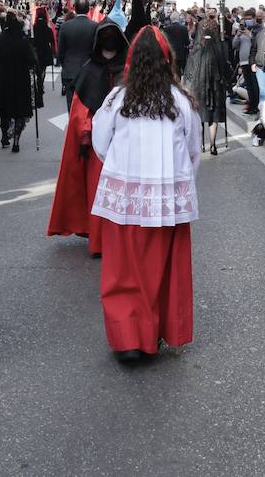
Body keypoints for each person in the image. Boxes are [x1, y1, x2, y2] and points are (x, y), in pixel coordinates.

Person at [91, 28, 200, 363]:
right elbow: (194, 151)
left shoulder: (116, 99)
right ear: (168, 60)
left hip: (124, 199)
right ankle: (152, 333)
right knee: (158, 270)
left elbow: (99, 144)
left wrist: (123, 168)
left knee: (122, 270)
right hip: (166, 202)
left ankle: (128, 339)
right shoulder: (182, 101)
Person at [47, 23, 127, 253]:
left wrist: (84, 134)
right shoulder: (130, 71)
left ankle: (99, 241)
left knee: (97, 191)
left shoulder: (89, 69)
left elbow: (80, 113)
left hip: (95, 144)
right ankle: (119, 240)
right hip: (123, 143)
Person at [0, 11, 36, 152]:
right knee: (20, 111)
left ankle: (4, 136)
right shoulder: (23, 41)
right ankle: (16, 140)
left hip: (3, 80)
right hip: (20, 80)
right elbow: (31, 61)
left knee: (4, 109)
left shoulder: (1, 41)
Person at [182, 18, 229, 155]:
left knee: (200, 115)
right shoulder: (220, 48)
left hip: (199, 88)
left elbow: (189, 71)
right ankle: (213, 144)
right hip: (215, 88)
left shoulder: (196, 50)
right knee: (213, 115)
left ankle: (201, 144)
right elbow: (225, 68)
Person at [57, 0, 98, 111]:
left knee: (71, 106)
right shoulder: (95, 26)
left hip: (70, 70)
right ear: (88, 9)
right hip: (88, 72)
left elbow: (61, 51)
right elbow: (96, 50)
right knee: (87, 108)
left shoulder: (65, 26)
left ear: (74, 8)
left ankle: (73, 127)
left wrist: (65, 64)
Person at [31, 5, 57, 109]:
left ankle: (39, 84)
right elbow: (52, 41)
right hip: (45, 51)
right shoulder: (48, 29)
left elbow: (31, 41)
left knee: (37, 70)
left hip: (36, 51)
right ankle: (40, 83)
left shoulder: (34, 28)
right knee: (43, 70)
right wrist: (54, 51)